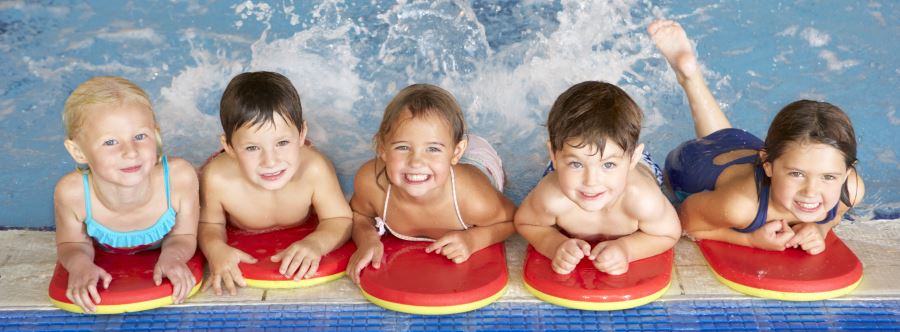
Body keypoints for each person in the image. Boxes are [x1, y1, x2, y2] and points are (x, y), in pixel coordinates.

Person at [652, 19, 865, 255]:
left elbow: (834, 216)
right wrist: (750, 240)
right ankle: (689, 77)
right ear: (768, 165)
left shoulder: (851, 190)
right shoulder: (740, 206)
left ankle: (690, 76)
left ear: (847, 173)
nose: (811, 191)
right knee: (713, 142)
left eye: (828, 177)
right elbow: (683, 221)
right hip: (692, 167)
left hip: (742, 146)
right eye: (797, 174)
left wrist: (820, 227)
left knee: (724, 136)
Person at [54, 76, 200, 313]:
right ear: (78, 151)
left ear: (157, 135)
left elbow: (183, 234)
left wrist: (173, 257)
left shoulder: (178, 179)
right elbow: (71, 243)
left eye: (140, 136)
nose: (130, 152)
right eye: (110, 142)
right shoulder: (73, 194)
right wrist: (80, 266)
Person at [199, 71, 352, 295]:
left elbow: (340, 218)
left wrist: (316, 244)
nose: (270, 161)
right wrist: (216, 250)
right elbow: (209, 225)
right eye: (252, 148)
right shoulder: (217, 178)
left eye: (282, 142)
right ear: (229, 146)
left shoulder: (314, 169)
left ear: (301, 135)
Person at [346, 84, 516, 284]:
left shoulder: (473, 199)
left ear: (456, 153)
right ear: (382, 148)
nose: (416, 162)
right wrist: (368, 240)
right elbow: (359, 214)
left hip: (479, 162)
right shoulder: (372, 183)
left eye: (432, 149)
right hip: (444, 156)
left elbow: (515, 220)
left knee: (493, 189)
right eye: (402, 147)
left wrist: (473, 240)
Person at [514, 79, 681, 276]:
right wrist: (553, 244)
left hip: (639, 169)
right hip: (583, 159)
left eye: (608, 165)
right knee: (578, 154)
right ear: (553, 155)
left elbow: (668, 234)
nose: (591, 181)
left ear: (633, 158)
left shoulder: (642, 200)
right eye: (576, 164)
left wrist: (627, 250)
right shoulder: (552, 197)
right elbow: (526, 222)